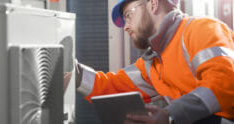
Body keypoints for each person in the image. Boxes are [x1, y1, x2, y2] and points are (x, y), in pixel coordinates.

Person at [67, 0, 234, 123]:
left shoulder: (202, 29)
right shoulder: (153, 62)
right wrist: (75, 73)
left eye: (128, 15)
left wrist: (170, 115)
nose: (125, 26)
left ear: (153, 4)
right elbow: (113, 87)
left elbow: (225, 83)